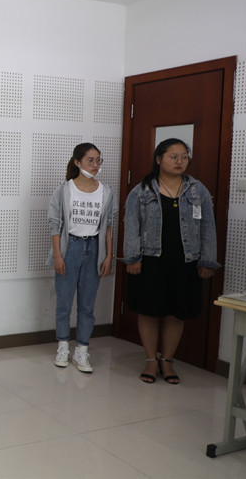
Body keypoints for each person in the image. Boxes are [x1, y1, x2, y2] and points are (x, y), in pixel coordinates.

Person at [124, 138, 219, 384]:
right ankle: (150, 360)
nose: (180, 161)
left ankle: (167, 361)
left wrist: (208, 260)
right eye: (173, 157)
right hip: (150, 260)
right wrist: (132, 257)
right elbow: (131, 226)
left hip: (186, 261)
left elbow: (208, 226)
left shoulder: (198, 190)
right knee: (149, 311)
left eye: (184, 157)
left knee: (177, 312)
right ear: (159, 159)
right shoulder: (141, 191)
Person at [47, 143, 117, 373]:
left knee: (87, 304)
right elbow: (55, 225)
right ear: (77, 162)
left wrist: (109, 255)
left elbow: (108, 226)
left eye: (98, 160)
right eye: (90, 160)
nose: (96, 165)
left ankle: (82, 349)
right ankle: (63, 346)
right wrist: (58, 255)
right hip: (71, 248)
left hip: (94, 248)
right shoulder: (64, 190)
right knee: (64, 302)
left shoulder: (106, 191)